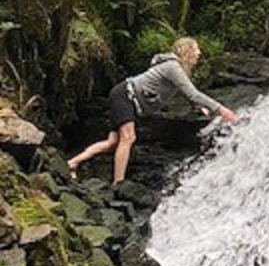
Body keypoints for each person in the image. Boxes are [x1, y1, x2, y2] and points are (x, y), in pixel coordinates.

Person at [68, 37, 238, 184]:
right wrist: (222, 110)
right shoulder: (173, 67)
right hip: (126, 95)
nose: (199, 53)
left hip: (126, 97)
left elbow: (184, 91)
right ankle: (118, 183)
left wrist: (199, 106)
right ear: (186, 50)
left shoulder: (175, 69)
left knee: (112, 143)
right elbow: (192, 93)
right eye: (196, 49)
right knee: (128, 138)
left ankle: (73, 162)